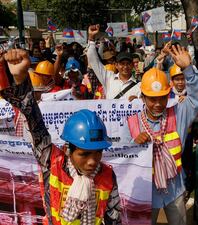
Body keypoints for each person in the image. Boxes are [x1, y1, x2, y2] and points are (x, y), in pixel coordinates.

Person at [0, 48, 121, 225]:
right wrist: (20, 77)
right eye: (84, 153)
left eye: (97, 152)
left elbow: (114, 218)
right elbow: (34, 119)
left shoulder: (108, 175)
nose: (92, 161)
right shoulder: (52, 162)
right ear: (67, 149)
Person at [127, 45, 198, 225]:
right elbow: (123, 154)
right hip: (145, 191)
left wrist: (189, 70)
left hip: (174, 189)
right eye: (152, 99)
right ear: (143, 97)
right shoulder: (132, 121)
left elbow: (195, 99)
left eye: (162, 97)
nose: (157, 104)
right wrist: (134, 142)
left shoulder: (177, 113)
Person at [87, 25, 140, 100]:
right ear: (116, 65)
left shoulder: (140, 85)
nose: (125, 67)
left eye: (128, 64)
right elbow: (93, 61)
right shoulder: (108, 78)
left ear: (132, 65)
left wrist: (139, 100)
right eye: (122, 64)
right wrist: (91, 38)